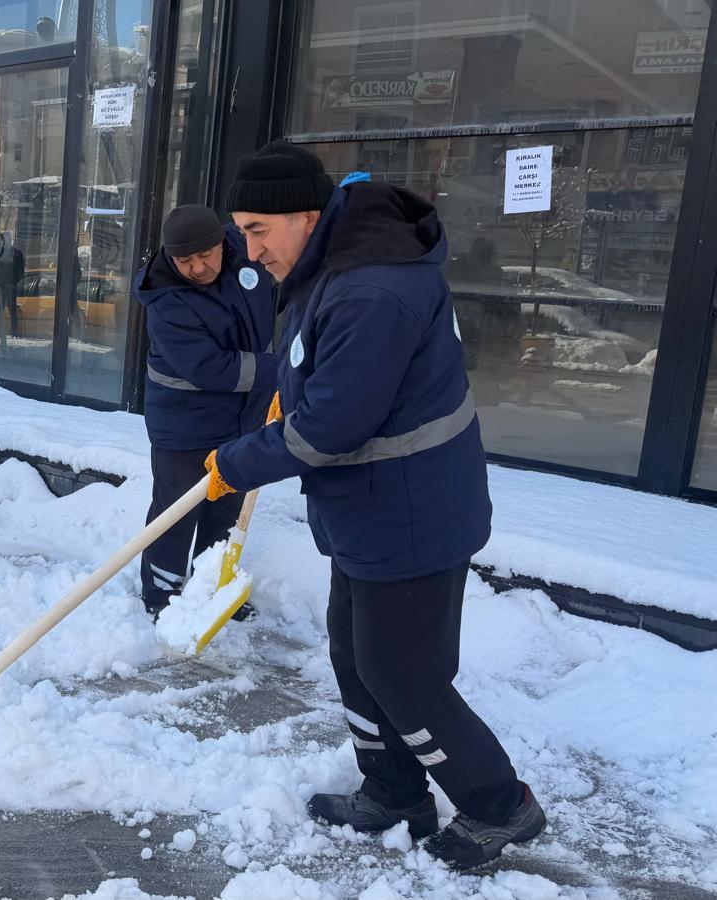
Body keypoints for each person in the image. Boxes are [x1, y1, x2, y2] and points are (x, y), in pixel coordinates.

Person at [206, 142, 544, 871]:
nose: (249, 250)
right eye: (242, 231)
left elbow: (333, 425)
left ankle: (500, 806)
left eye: (258, 229)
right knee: (356, 660)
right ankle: (394, 793)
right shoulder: (330, 265)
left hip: (411, 515)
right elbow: (323, 376)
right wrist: (289, 398)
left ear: (306, 215)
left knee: (403, 675)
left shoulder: (372, 289)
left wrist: (237, 461)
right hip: (368, 509)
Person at [131, 204, 275, 620]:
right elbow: (214, 368)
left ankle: (211, 585)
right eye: (184, 261)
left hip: (243, 416)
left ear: (221, 243)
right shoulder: (166, 301)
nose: (196, 268)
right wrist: (283, 369)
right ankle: (162, 594)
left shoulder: (245, 248)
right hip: (184, 425)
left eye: (204, 255)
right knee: (177, 511)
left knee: (226, 508)